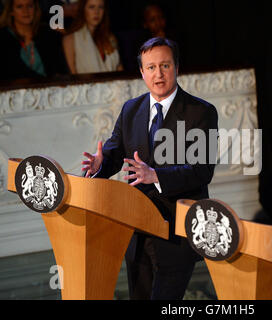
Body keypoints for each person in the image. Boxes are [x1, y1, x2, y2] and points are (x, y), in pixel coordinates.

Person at [81, 37, 218, 300]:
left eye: (165, 65)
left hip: (176, 234)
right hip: (137, 231)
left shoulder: (201, 112)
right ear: (142, 72)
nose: (159, 74)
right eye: (151, 67)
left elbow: (202, 170)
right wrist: (100, 164)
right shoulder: (131, 109)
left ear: (177, 67)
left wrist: (156, 175)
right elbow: (114, 151)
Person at [0, 0, 68, 80]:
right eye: (19, 7)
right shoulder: (3, 38)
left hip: (51, 89)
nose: (25, 11)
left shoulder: (48, 35)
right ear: (11, 11)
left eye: (30, 6)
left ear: (35, 8)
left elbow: (60, 70)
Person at [62, 0, 122, 74]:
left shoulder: (110, 38)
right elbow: (73, 76)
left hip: (114, 84)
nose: (96, 12)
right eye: (91, 7)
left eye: (100, 7)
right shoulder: (70, 39)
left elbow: (120, 69)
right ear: (83, 9)